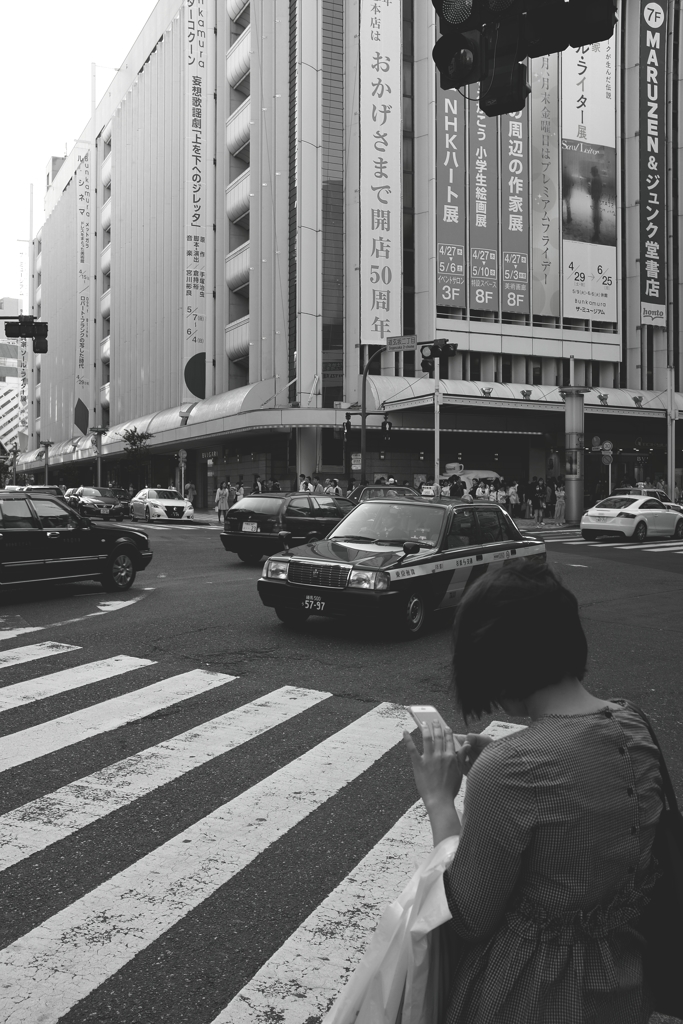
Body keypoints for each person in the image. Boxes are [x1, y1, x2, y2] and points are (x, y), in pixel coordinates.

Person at [404, 560, 662, 1024]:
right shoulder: (634, 723)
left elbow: (467, 916)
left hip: (528, 993)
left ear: (495, 662)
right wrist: (496, 757)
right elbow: (582, 786)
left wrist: (439, 800)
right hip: (623, 981)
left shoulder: (512, 769)